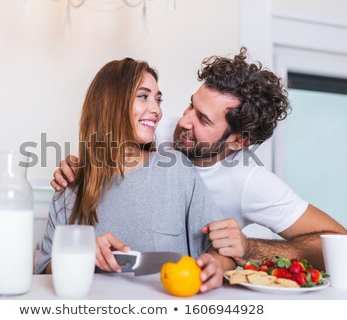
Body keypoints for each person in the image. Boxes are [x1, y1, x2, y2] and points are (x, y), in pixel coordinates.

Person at [51, 48, 347, 270]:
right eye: (190, 105)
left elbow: (338, 244)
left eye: (203, 120)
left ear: (237, 141)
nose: (184, 121)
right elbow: (114, 141)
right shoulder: (159, 127)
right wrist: (83, 166)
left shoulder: (248, 180)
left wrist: (249, 249)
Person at [37, 57, 236, 292]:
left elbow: (224, 252)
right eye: (143, 96)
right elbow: (44, 270)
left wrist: (217, 265)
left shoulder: (178, 172)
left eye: (158, 99)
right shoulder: (70, 185)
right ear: (109, 103)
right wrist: (83, 254)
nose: (157, 110)